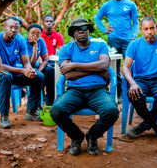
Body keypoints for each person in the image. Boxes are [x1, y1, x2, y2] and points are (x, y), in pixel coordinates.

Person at [50, 18, 119, 156]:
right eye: (77, 29)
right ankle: (76, 136)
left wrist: (75, 65)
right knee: (56, 111)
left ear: (89, 30)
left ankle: (92, 135)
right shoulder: (66, 49)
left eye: (84, 28)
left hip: (98, 90)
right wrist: (97, 70)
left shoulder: (100, 46)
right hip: (75, 91)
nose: (81, 31)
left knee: (112, 111)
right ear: (73, 33)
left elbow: (104, 65)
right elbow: (68, 75)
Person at [122, 16, 157, 138]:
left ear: (156, 27)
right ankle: (154, 124)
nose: (149, 32)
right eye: (146, 29)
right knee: (133, 94)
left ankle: (142, 127)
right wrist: (132, 83)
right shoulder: (134, 44)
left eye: (152, 28)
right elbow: (125, 68)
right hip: (140, 79)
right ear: (142, 30)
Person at [0, 16, 44, 129]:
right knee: (5, 76)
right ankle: (4, 116)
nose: (13, 30)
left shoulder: (20, 40)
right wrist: (23, 70)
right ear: (4, 27)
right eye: (11, 27)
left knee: (39, 76)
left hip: (13, 71)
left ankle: (31, 110)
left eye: (16, 28)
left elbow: (26, 63)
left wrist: (29, 70)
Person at [94, 0, 139, 103]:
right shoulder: (107, 5)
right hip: (113, 39)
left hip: (128, 40)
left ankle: (132, 92)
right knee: (116, 66)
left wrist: (134, 36)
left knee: (131, 66)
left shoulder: (130, 4)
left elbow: (135, 21)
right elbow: (97, 17)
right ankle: (119, 94)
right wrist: (104, 29)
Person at [24, 23, 55, 106]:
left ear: (41, 34)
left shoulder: (41, 41)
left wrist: (39, 70)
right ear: (28, 33)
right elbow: (31, 64)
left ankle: (50, 103)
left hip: (35, 68)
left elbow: (45, 59)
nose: (35, 35)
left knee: (50, 71)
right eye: (32, 33)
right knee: (38, 76)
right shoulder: (24, 43)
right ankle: (36, 105)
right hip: (24, 68)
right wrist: (35, 47)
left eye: (38, 33)